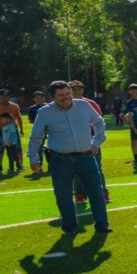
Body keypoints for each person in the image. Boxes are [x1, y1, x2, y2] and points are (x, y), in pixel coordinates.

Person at [27, 80, 111, 235]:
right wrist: (33, 158)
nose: (66, 97)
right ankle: (70, 227)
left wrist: (97, 142)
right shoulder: (45, 112)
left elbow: (99, 123)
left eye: (68, 93)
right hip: (60, 159)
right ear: (52, 97)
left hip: (86, 156)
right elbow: (36, 137)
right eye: (61, 95)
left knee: (96, 191)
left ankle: (102, 224)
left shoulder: (84, 105)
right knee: (63, 194)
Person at [70, 80, 111, 205]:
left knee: (97, 168)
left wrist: (96, 142)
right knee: (76, 170)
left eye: (79, 88)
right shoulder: (64, 105)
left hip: (91, 140)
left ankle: (103, 193)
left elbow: (99, 122)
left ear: (83, 90)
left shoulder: (90, 103)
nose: (76, 91)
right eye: (73, 89)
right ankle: (79, 195)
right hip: (73, 142)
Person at [0, 89, 23, 173]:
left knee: (17, 149)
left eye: (7, 96)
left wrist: (21, 129)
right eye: (3, 96)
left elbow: (19, 118)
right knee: (0, 149)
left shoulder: (15, 106)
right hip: (0, 130)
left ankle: (20, 166)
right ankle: (0, 166)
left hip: (13, 130)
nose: (6, 97)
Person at [122, 84, 137, 169]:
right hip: (135, 125)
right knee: (134, 142)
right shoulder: (130, 102)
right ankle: (136, 160)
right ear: (129, 91)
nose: (134, 91)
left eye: (136, 89)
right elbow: (125, 114)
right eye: (132, 89)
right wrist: (132, 126)